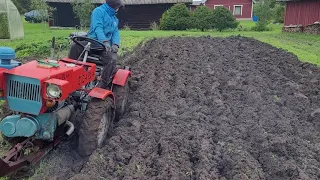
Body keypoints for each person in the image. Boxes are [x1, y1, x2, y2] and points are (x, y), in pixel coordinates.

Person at [68, 0, 124, 89]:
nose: (118, 9)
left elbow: (115, 32)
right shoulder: (98, 11)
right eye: (118, 7)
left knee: (112, 58)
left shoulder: (114, 19)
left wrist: (115, 44)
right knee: (75, 47)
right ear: (115, 6)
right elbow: (98, 27)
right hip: (93, 41)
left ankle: (103, 84)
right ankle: (71, 74)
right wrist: (104, 41)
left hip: (105, 47)